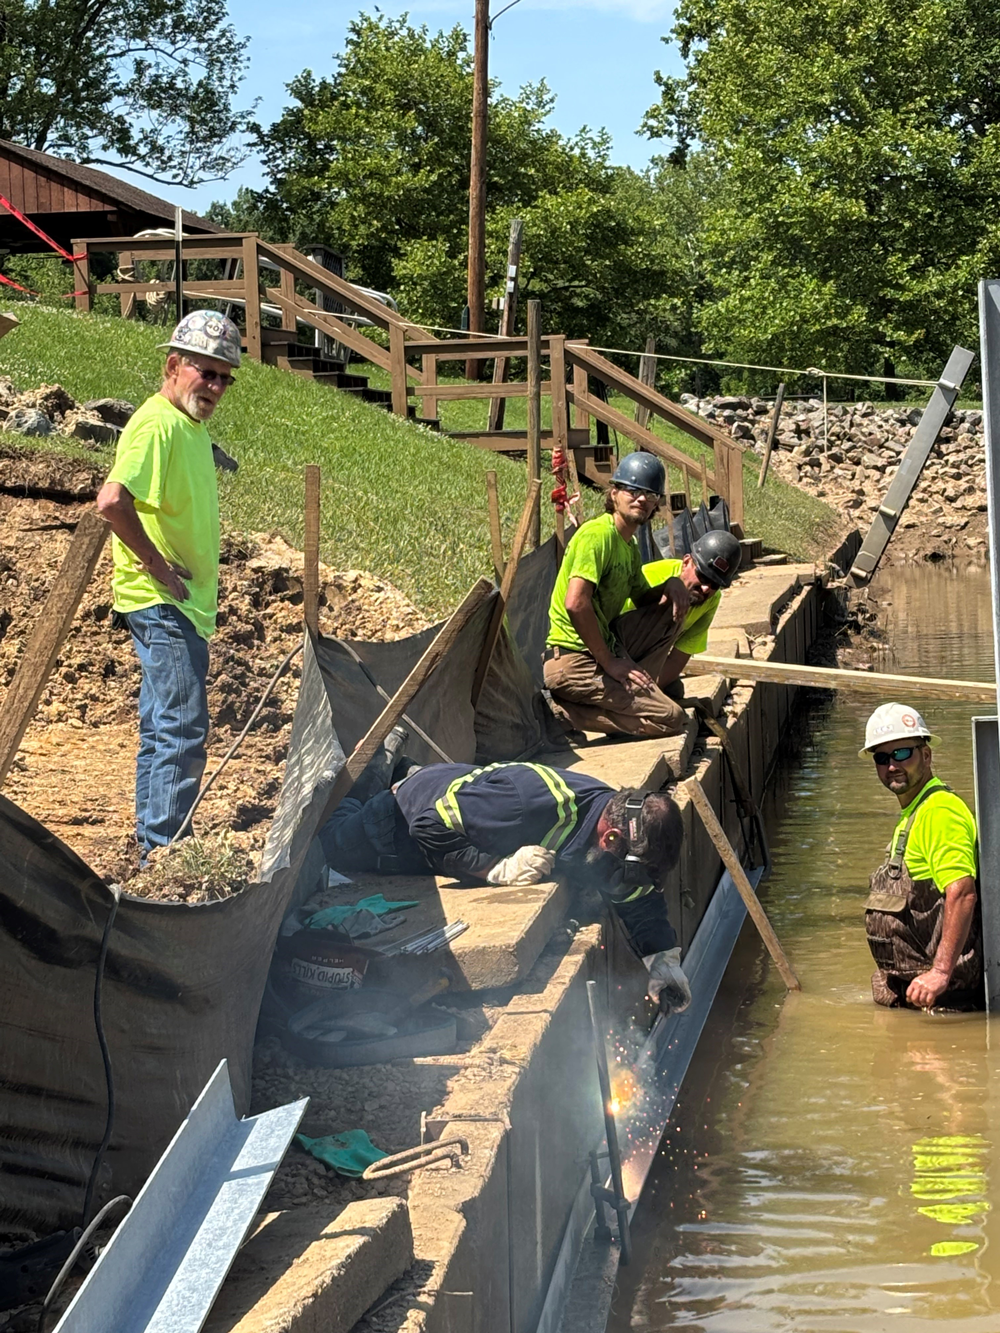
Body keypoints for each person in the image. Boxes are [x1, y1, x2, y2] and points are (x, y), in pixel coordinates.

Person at [320, 746, 691, 1009]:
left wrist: (662, 959)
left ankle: (401, 771)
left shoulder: (608, 822)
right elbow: (427, 826)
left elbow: (636, 896)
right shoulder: (525, 803)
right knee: (331, 837)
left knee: (453, 805)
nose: (627, 880)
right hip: (396, 822)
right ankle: (375, 772)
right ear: (610, 837)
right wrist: (495, 868)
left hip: (466, 798)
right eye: (628, 870)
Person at [95, 310, 242, 852]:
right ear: (173, 364)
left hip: (184, 605)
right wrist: (155, 563)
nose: (216, 386)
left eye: (225, 377)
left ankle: (156, 843)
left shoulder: (190, 427)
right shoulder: (158, 423)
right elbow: (111, 502)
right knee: (181, 727)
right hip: (162, 603)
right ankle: (165, 849)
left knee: (165, 729)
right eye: (207, 372)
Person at [543, 451, 741, 738]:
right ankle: (565, 714)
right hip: (574, 659)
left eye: (649, 495)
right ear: (614, 493)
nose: (641, 499)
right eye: (633, 491)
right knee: (671, 719)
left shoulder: (629, 545)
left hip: (605, 649)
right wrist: (610, 663)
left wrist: (670, 586)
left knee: (673, 609)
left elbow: (641, 600)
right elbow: (575, 603)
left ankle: (625, 695)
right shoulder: (597, 535)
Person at [860, 702, 983, 1010]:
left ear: (926, 755)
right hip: (918, 998)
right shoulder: (915, 812)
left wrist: (941, 972)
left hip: (946, 1002)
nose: (892, 765)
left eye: (902, 753)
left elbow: (963, 893)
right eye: (882, 757)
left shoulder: (940, 812)